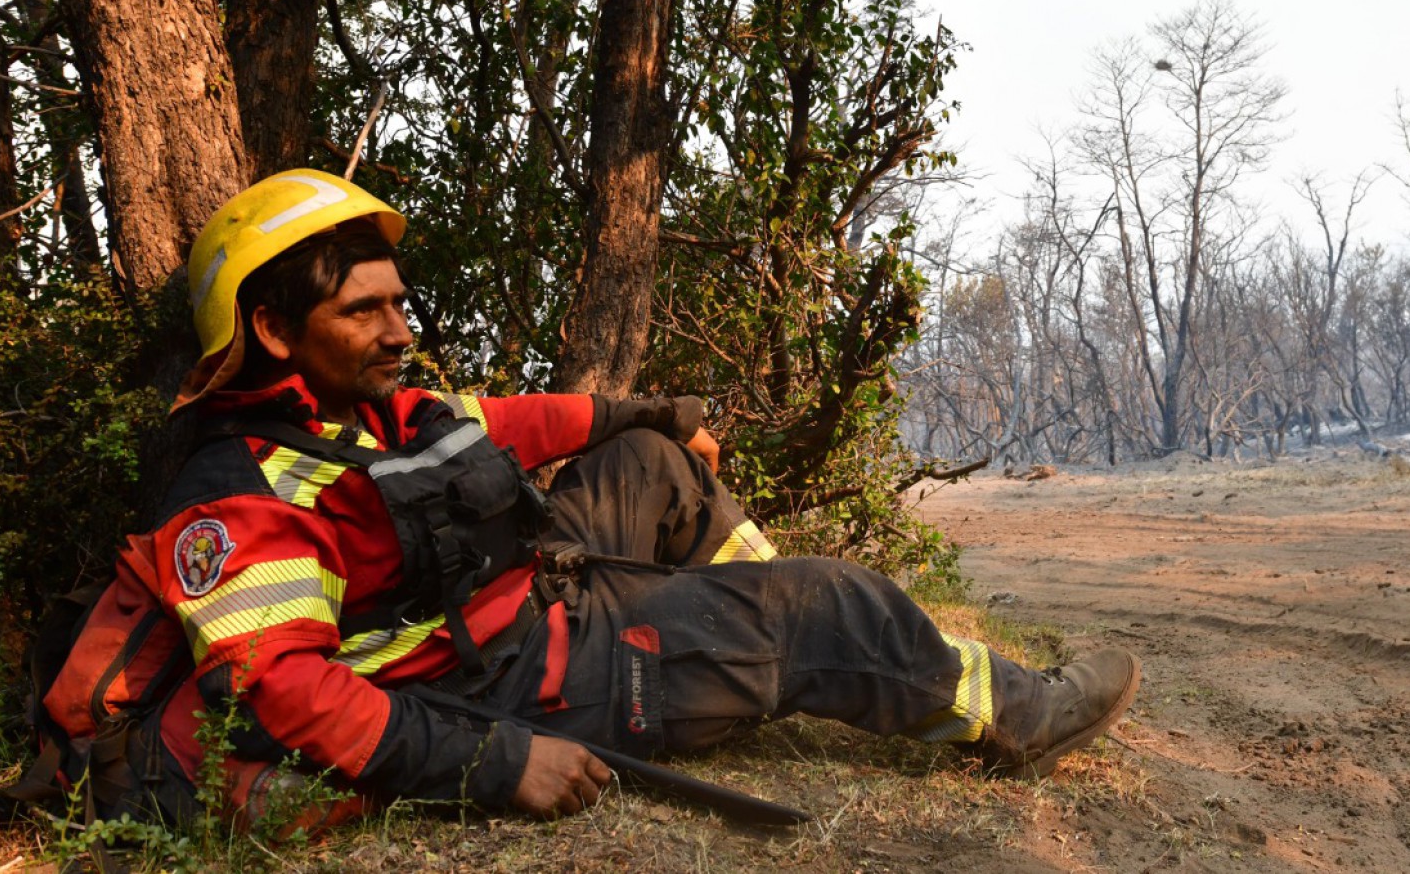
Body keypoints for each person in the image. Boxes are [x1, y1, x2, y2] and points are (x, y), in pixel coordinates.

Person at [128, 168, 1139, 821]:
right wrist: (499, 763)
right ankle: (1016, 714)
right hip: (515, 687)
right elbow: (288, 694)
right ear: (271, 328)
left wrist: (650, 411)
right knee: (830, 603)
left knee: (655, 465)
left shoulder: (359, 408)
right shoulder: (236, 499)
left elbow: (510, 422)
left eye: (400, 303)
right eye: (365, 310)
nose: (400, 332)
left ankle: (755, 630)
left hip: (521, 604)